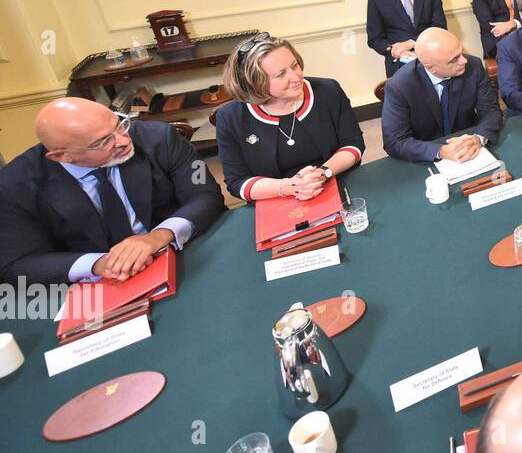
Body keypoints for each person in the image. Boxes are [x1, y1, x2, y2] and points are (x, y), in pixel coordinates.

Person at [0, 99, 223, 285]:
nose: (124, 140)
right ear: (61, 157)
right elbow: (17, 263)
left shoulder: (160, 138)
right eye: (102, 142)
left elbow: (205, 194)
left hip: (183, 256)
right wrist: (98, 264)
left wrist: (158, 236)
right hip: (100, 286)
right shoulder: (13, 186)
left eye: (119, 125)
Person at [215, 35, 363, 203]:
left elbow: (353, 144)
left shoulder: (329, 91)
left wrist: (323, 173)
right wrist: (288, 186)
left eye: (295, 65)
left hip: (337, 181)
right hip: (274, 198)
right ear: (254, 82)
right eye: (281, 74)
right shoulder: (230, 117)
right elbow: (237, 182)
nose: (296, 77)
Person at [381, 27, 503, 163]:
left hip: (470, 145)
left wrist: (478, 138)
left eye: (461, 52)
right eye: (454, 59)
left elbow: (490, 111)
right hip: (426, 155)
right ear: (430, 67)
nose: (463, 61)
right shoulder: (400, 87)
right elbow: (395, 142)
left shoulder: (474, 66)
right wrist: (440, 151)